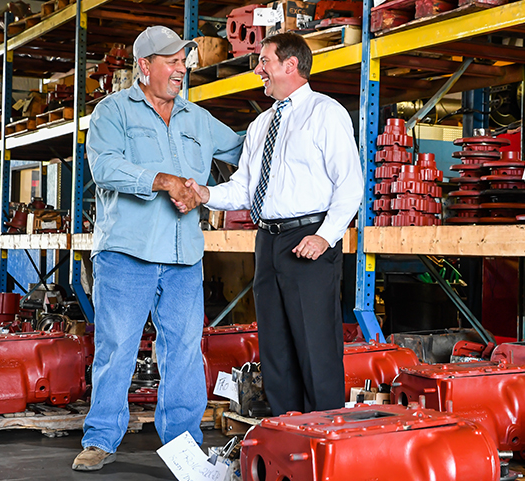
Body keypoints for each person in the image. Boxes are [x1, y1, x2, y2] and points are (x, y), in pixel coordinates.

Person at [72, 26, 244, 471]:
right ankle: (102, 439)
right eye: (171, 62)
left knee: (185, 350)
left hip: (184, 256)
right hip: (127, 254)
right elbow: (106, 166)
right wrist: (161, 180)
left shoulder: (197, 119)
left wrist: (284, 123)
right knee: (117, 348)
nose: (181, 70)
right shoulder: (113, 112)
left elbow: (244, 148)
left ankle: (183, 445)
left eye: (184, 62)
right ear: (144, 67)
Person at [182, 33, 363, 416]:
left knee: (316, 349)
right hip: (268, 241)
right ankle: (286, 436)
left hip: (309, 240)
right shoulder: (262, 124)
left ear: (290, 65)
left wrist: (324, 237)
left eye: (264, 61)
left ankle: (324, 437)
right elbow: (245, 188)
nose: (258, 69)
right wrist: (205, 194)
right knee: (276, 349)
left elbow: (350, 185)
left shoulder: (325, 113)